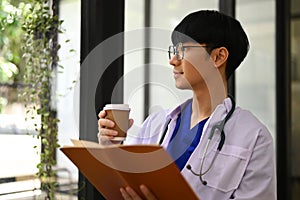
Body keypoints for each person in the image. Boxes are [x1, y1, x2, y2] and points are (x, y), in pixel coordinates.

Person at [98, 10, 276, 200]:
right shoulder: (157, 124)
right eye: (175, 51)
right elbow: (127, 188)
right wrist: (110, 150)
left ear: (218, 57)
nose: (173, 60)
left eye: (183, 50)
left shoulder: (254, 137)